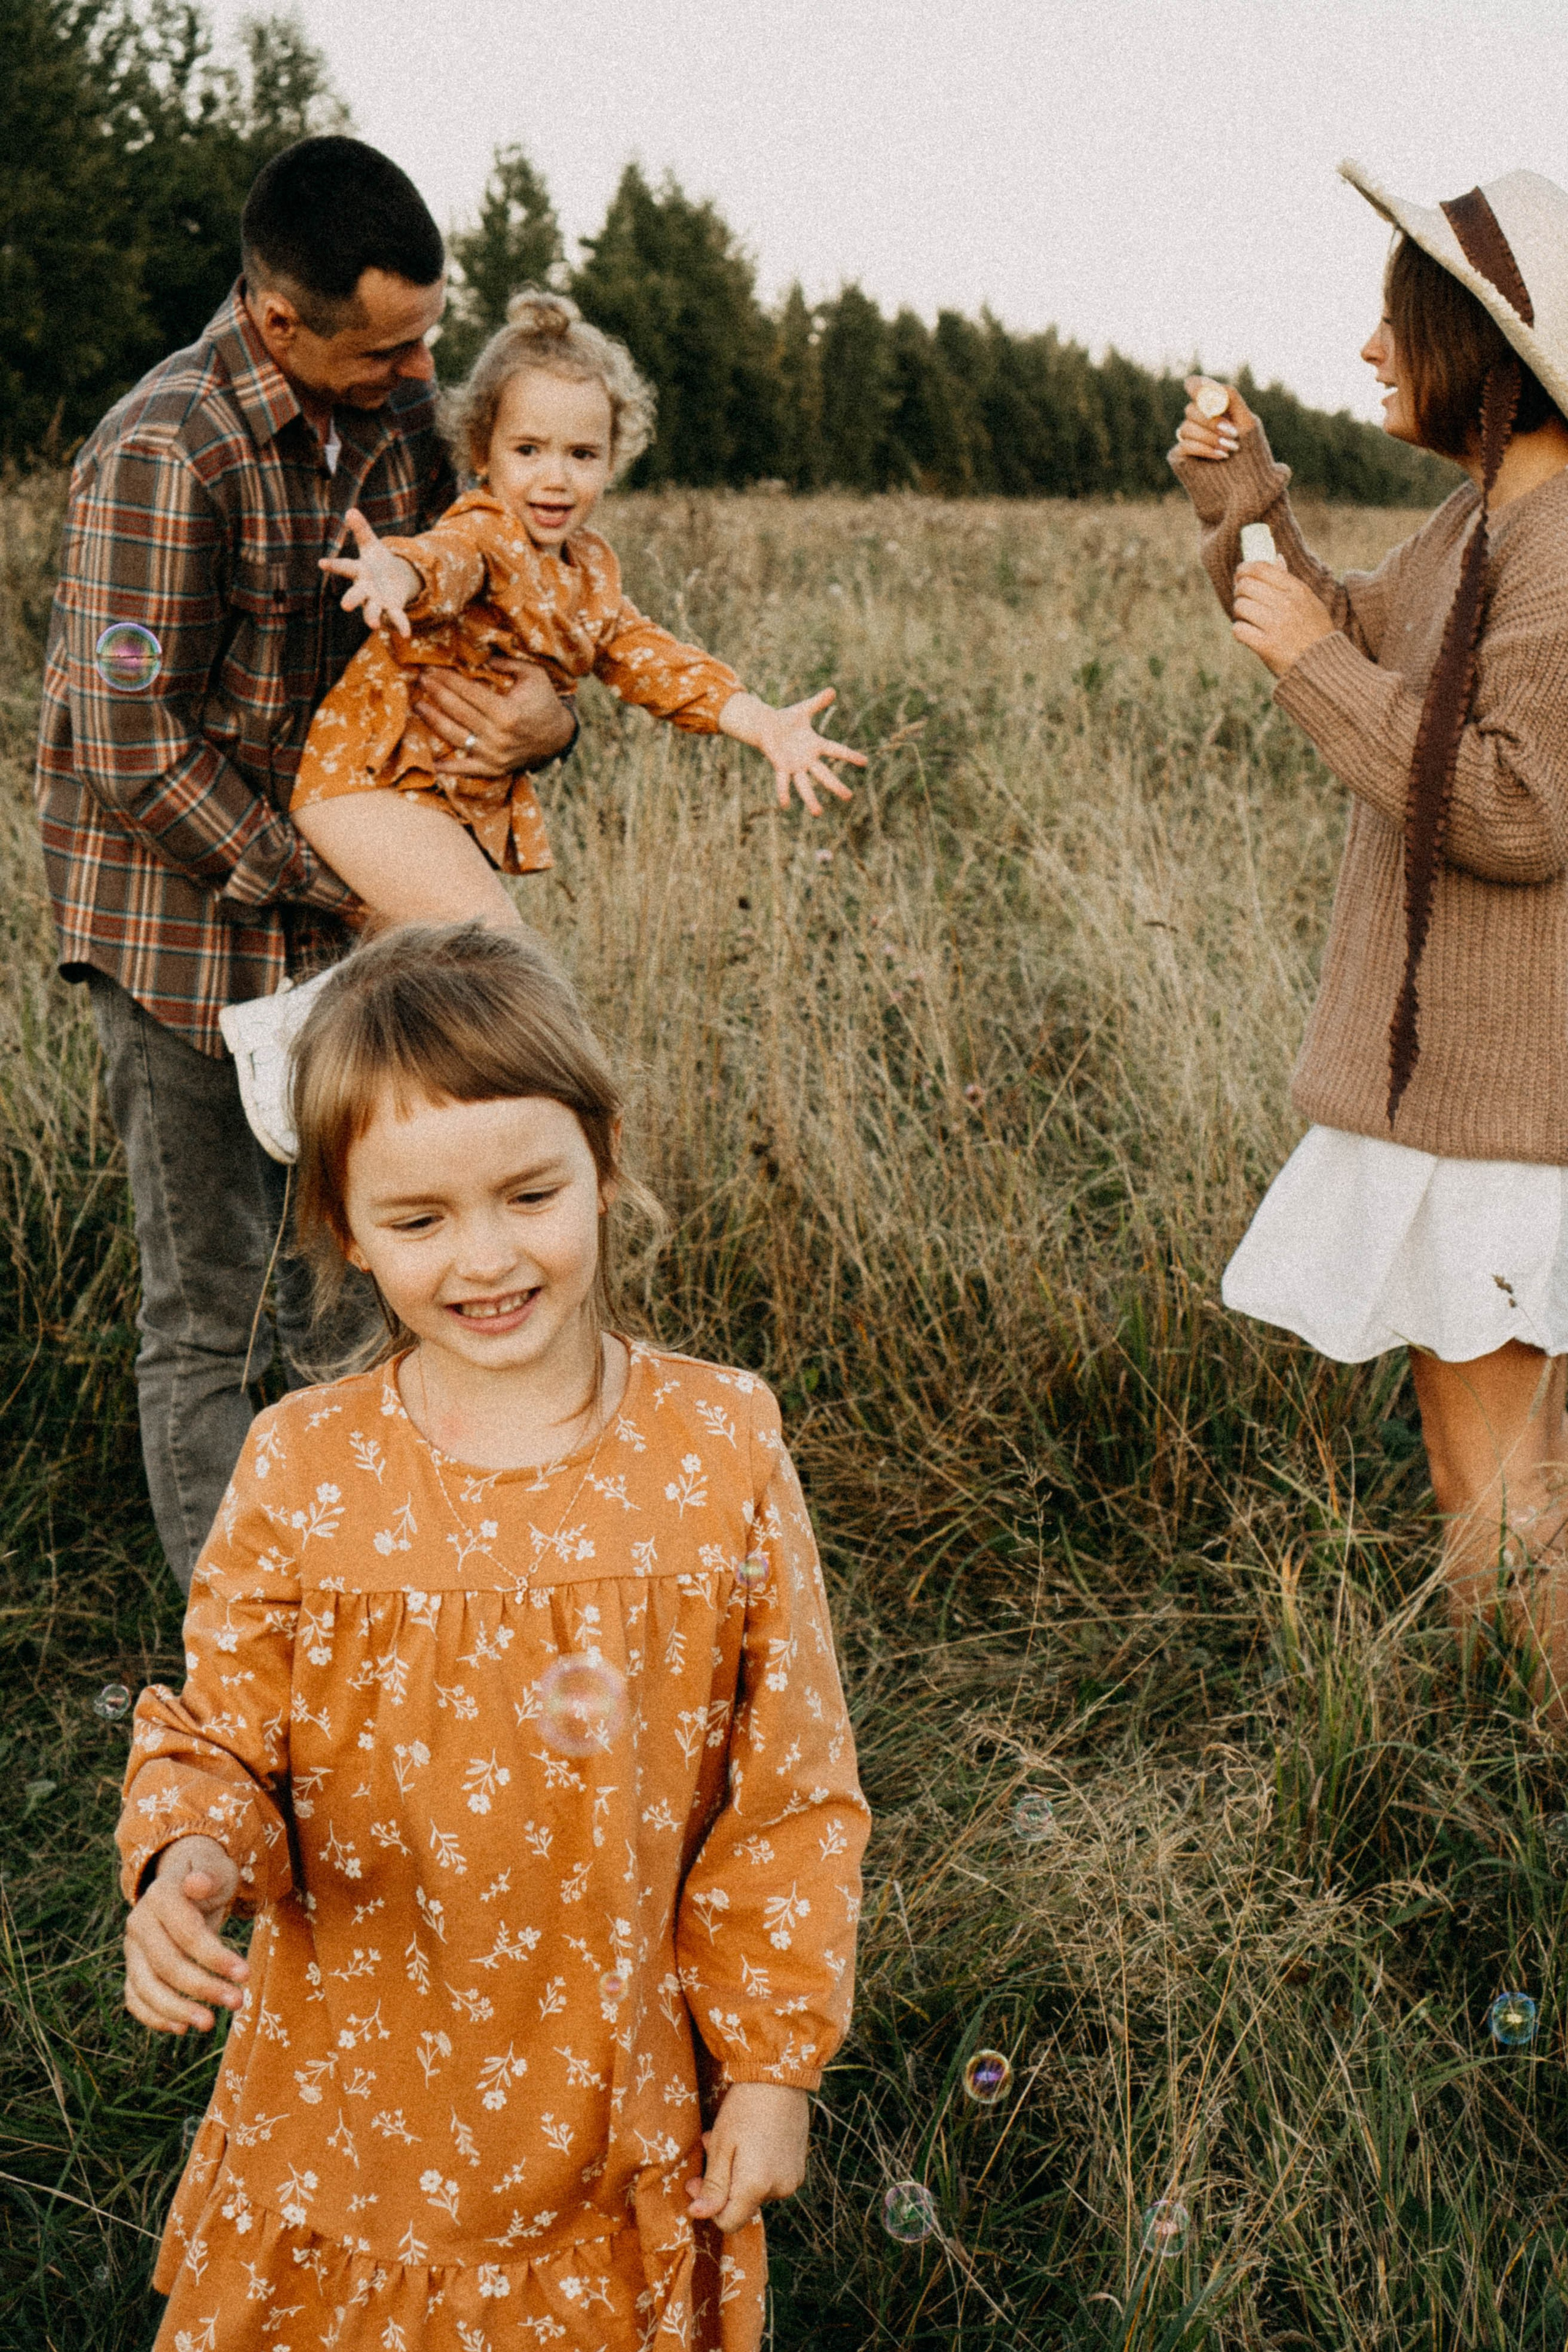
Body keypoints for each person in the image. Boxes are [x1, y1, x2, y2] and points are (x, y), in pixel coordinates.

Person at [115, 921, 870, 2351]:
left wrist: (772, 2065)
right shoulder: (302, 1465)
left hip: (610, 2090)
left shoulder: (717, 1445)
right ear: (344, 1225)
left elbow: (786, 1791)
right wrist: (191, 1853)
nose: (487, 1256)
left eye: (529, 1193)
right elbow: (226, 1737)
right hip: (355, 2100)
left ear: (604, 1159)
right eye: (419, 1220)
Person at [35, 137, 575, 1593]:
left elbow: (493, 610)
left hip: (352, 939)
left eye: (428, 338)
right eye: (388, 346)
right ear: (281, 319)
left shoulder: (401, 430)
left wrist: (548, 716)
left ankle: (373, 1611)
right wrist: (331, 881)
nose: (421, 372)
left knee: (350, 1294)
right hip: (183, 942)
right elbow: (128, 740)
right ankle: (245, 1663)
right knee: (207, 1319)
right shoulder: (165, 451)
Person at [1172, 163, 1568, 1707]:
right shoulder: (1484, 522)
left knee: (1500, 1492)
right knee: (1504, 1479)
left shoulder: (1553, 545)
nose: (1366, 350)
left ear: (1477, 344)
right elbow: (1339, 628)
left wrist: (1312, 669)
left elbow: (1521, 807)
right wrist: (1243, 503)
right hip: (1473, 1098)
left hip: (1499, 1110)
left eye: (1392, 322)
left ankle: (1516, 1791)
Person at [284, 288, 864, 935]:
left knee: (421, 986)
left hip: (429, 799)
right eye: (528, 451)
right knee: (497, 952)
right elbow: (447, 561)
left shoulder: (591, 576)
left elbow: (659, 664)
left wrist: (762, 724)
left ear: (613, 460)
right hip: (366, 781)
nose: (555, 478)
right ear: (482, 452)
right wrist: (397, 574)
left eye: (582, 454)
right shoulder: (488, 529)